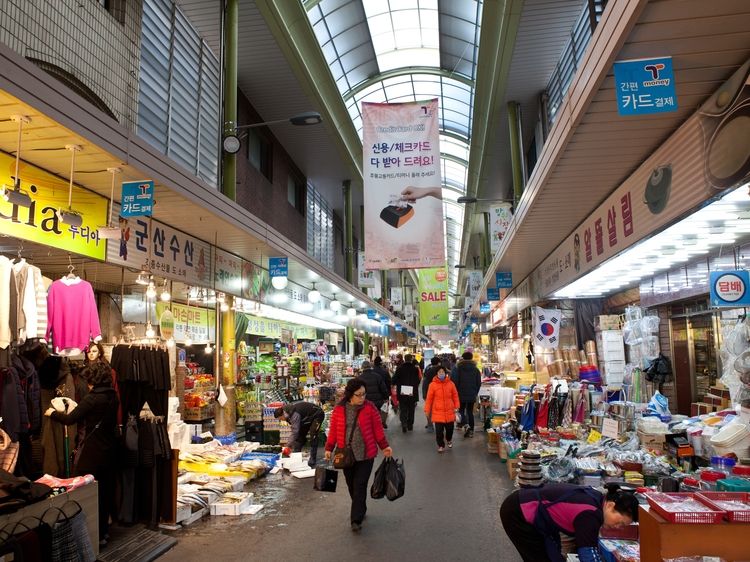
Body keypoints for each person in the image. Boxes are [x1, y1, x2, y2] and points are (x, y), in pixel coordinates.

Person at [45, 362, 119, 546]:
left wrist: (52, 413)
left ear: (93, 379)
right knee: (105, 493)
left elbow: (70, 419)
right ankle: (103, 532)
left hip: (92, 454)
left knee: (86, 493)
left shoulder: (92, 399)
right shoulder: (113, 396)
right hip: (110, 452)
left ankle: (92, 537)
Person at [500, 483, 639, 562]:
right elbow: (588, 554)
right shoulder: (590, 514)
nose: (617, 527)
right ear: (611, 506)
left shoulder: (597, 499)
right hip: (519, 512)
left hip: (537, 516)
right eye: (620, 523)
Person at [324, 379, 392, 533]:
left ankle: (356, 519)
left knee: (360, 484)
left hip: (366, 454)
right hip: (345, 454)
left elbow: (377, 429)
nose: (362, 398)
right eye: (359, 395)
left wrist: (384, 446)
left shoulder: (370, 408)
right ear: (350, 395)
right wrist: (329, 448)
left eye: (364, 394)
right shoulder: (339, 409)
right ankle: (360, 506)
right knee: (351, 485)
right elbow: (334, 430)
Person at [274, 401, 325, 466]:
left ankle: (313, 458)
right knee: (300, 436)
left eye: (280, 419)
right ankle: (296, 455)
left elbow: (295, 431)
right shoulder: (286, 413)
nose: (281, 420)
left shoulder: (294, 414)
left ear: (282, 415)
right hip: (306, 418)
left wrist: (288, 445)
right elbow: (296, 431)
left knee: (313, 435)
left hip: (316, 415)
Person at [423, 366, 459, 452]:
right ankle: (440, 445)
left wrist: (457, 406)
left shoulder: (451, 384)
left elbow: (455, 395)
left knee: (450, 429)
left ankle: (449, 439)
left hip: (450, 411)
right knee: (439, 431)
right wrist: (427, 410)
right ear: (437, 373)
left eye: (443, 372)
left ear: (445, 373)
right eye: (439, 372)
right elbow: (429, 399)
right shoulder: (432, 385)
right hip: (438, 412)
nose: (441, 373)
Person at [451, 351, 482, 438]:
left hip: (460, 393)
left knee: (461, 410)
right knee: (470, 411)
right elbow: (478, 383)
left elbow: (454, 381)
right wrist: (475, 392)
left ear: (463, 358)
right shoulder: (476, 369)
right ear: (472, 358)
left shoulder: (458, 368)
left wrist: (455, 392)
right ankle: (471, 430)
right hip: (472, 393)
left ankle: (465, 424)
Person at [392, 353, 421, 433]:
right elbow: (418, 380)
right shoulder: (415, 369)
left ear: (404, 359)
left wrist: (394, 384)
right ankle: (410, 424)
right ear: (411, 359)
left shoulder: (400, 368)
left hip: (402, 391)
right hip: (412, 391)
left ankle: (404, 423)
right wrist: (415, 386)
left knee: (403, 408)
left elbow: (394, 379)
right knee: (411, 408)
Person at [357, 360, 389, 428]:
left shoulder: (359, 378)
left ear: (362, 367)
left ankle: (370, 430)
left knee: (368, 419)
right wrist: (386, 397)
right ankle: (377, 429)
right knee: (376, 417)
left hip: (365, 402)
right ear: (370, 366)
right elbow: (383, 388)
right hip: (378, 402)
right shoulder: (377, 376)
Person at [421, 357, 441, 432]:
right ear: (438, 363)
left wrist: (424, 394)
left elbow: (425, 382)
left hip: (429, 392)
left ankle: (430, 425)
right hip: (440, 392)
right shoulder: (441, 371)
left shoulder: (428, 370)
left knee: (429, 409)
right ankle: (439, 424)